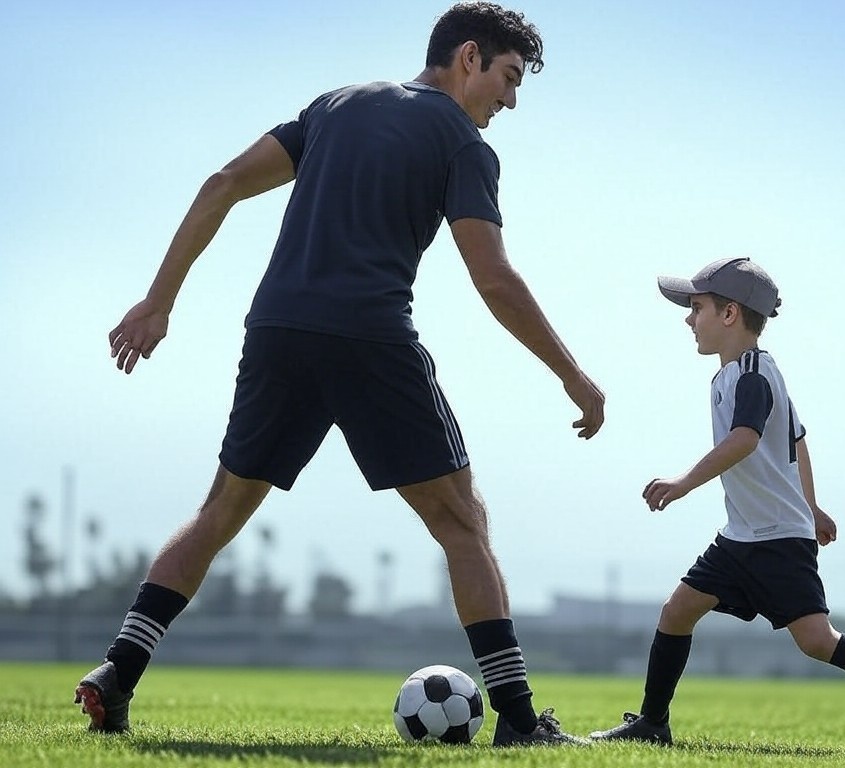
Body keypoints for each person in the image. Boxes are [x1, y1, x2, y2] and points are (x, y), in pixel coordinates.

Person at [74, 2, 604, 747]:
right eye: (510, 79)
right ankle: (518, 722)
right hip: (370, 337)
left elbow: (223, 181)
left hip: (277, 331)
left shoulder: (335, 105)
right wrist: (573, 376)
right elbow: (495, 281)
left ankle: (116, 673)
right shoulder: (461, 142)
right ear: (470, 57)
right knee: (461, 522)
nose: (510, 101)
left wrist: (159, 301)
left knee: (220, 510)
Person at [588, 257, 845, 755]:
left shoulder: (753, 376)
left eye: (696, 307)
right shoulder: (737, 374)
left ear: (730, 314)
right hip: (743, 534)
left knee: (817, 641)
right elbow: (797, 440)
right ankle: (653, 723)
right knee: (677, 611)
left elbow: (745, 439)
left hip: (778, 537)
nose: (687, 319)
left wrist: (684, 482)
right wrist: (815, 505)